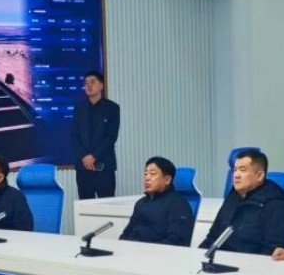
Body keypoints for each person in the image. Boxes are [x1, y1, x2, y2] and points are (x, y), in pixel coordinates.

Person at [200, 149, 284, 255]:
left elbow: (272, 252)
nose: (236, 175)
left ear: (260, 176)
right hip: (222, 260)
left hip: (251, 263)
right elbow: (212, 237)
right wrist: (198, 256)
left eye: (242, 170)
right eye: (235, 170)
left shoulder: (276, 205)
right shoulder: (232, 197)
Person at [120, 157, 194, 246]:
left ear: (167, 180)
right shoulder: (140, 203)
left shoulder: (177, 204)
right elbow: (125, 235)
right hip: (132, 251)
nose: (147, 178)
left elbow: (176, 241)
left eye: (152, 174)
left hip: (158, 252)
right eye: (145, 174)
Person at [71, 70, 120, 199]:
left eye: (92, 82)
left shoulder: (112, 108)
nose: (89, 86)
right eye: (86, 83)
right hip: (83, 167)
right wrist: (84, 157)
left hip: (104, 166)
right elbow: (75, 136)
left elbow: (111, 137)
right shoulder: (79, 109)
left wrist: (94, 156)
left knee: (107, 205)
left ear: (101, 85)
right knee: (85, 205)